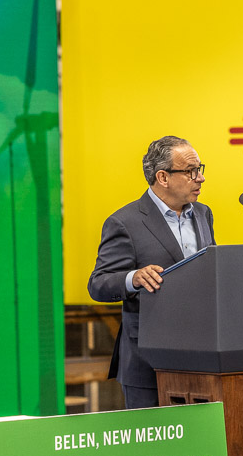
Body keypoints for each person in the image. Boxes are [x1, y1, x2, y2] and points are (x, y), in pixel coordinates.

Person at [88, 136, 215, 409]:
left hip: (201, 357)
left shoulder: (203, 214)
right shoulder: (124, 222)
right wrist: (132, 278)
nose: (201, 178)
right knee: (152, 450)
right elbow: (98, 284)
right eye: (191, 171)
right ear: (163, 177)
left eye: (200, 168)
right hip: (147, 361)